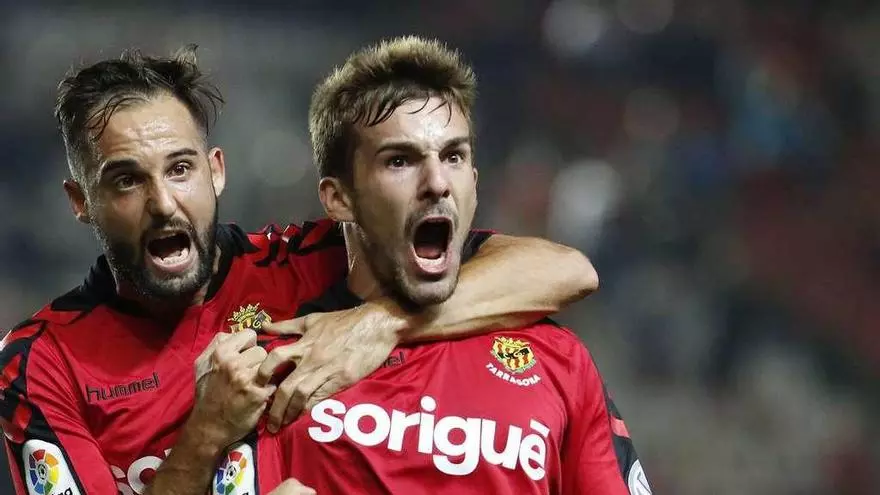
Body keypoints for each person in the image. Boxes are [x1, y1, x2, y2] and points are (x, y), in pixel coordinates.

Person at [0, 46, 599, 495]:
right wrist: (205, 435)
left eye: (180, 169)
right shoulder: (41, 362)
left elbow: (563, 270)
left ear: (216, 171)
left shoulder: (298, 260)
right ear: (81, 201)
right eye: (127, 180)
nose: (163, 203)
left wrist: (379, 322)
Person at [243, 36, 650, 495]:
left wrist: (382, 322)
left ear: (474, 183)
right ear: (339, 198)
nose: (437, 182)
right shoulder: (280, 365)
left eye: (454, 156)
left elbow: (577, 270)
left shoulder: (559, 360)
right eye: (399, 161)